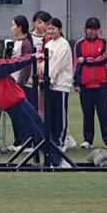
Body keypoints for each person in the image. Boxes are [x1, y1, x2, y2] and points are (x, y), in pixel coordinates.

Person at [0, 39, 64, 168]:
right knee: (37, 130)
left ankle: (55, 159)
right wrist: (31, 57)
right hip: (13, 102)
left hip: (15, 101)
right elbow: (11, 64)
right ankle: (56, 161)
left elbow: (7, 65)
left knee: (38, 128)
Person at [74, 16, 107, 149]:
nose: (92, 31)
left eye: (95, 29)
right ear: (85, 29)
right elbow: (76, 63)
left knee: (104, 112)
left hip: (101, 84)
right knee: (87, 113)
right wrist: (76, 83)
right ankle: (88, 139)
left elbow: (103, 58)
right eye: (90, 29)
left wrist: (86, 60)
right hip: (85, 84)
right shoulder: (79, 44)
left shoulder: (103, 42)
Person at [41, 17, 74, 150]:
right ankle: (52, 140)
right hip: (50, 84)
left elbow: (58, 64)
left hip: (60, 84)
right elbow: (46, 62)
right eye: (48, 29)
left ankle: (61, 141)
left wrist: (50, 78)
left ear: (59, 29)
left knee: (60, 115)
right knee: (51, 114)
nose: (50, 31)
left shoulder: (63, 44)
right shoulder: (49, 44)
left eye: (53, 29)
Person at [10, 15, 38, 111]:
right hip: (16, 83)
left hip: (23, 85)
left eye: (13, 25)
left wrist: (21, 82)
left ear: (19, 27)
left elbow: (26, 66)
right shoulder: (17, 42)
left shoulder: (25, 44)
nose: (11, 28)